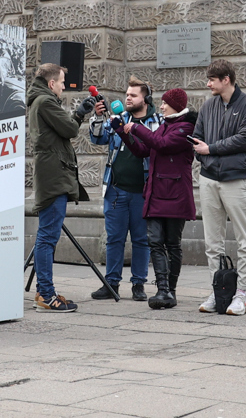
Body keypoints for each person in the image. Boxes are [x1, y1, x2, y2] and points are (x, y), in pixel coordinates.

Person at [117, 87, 197, 309]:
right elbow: (144, 150)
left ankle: (170, 291)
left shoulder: (185, 128)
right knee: (154, 241)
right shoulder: (166, 125)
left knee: (172, 244)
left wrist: (138, 127)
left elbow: (161, 144)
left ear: (176, 106)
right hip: (157, 193)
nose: (161, 107)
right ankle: (162, 290)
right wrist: (123, 132)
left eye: (165, 103)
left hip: (175, 195)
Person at [192, 59, 246, 315]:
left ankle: (241, 294)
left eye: (212, 79)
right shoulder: (208, 106)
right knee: (213, 241)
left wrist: (211, 149)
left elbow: (244, 139)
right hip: (209, 179)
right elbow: (198, 139)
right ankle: (218, 289)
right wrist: (205, 155)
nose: (208, 84)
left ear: (226, 80)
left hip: (236, 179)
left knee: (245, 240)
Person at [89, 78, 159, 302]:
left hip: (143, 192)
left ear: (145, 99)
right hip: (116, 190)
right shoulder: (119, 118)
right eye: (127, 94)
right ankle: (112, 284)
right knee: (114, 238)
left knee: (141, 240)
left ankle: (138, 284)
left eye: (133, 95)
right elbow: (98, 138)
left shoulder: (157, 122)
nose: (128, 98)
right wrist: (98, 116)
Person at [28, 63, 90, 313]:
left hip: (53, 173)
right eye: (62, 81)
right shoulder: (45, 101)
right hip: (54, 175)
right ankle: (46, 294)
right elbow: (70, 129)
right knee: (47, 237)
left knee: (47, 236)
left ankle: (44, 291)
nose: (65, 86)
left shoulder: (39, 100)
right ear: (51, 83)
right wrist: (80, 113)